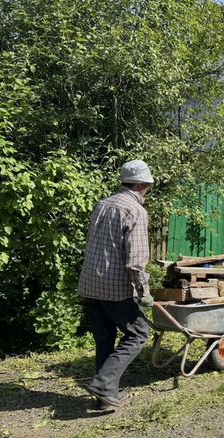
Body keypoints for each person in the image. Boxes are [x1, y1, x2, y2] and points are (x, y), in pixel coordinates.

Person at [77, 160, 155, 410]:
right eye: (149, 185)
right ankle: (103, 383)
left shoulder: (102, 204)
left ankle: (105, 396)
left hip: (90, 285)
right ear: (142, 184)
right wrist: (144, 293)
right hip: (116, 289)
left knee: (105, 339)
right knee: (138, 334)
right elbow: (135, 263)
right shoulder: (135, 211)